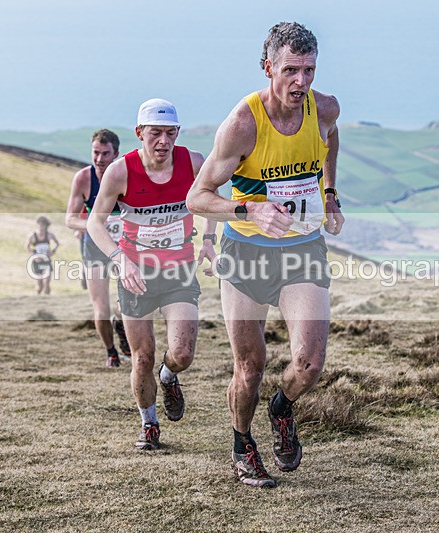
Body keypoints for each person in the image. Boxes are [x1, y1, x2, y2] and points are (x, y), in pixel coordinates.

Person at [186, 22, 345, 488]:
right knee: (250, 368)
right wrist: (249, 208)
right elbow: (198, 197)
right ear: (268, 67)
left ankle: (282, 408)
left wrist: (330, 193)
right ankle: (242, 446)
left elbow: (332, 139)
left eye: (309, 70)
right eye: (291, 70)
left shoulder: (325, 108)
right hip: (247, 253)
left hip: (302, 249)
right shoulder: (243, 124)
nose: (301, 81)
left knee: (309, 364)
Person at [87, 98, 217, 451]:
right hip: (136, 274)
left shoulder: (193, 162)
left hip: (178, 270)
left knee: (183, 352)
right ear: (139, 133)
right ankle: (149, 424)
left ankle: (169, 375)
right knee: (142, 356)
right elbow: (95, 222)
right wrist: (119, 259)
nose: (163, 141)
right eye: (155, 133)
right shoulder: (121, 172)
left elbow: (211, 201)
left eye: (170, 133)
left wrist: (208, 240)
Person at [65, 129, 130, 368]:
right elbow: (70, 218)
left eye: (105, 154)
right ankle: (111, 352)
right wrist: (94, 225)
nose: (99, 159)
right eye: (95, 152)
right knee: (101, 308)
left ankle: (122, 327)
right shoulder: (83, 178)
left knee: (126, 306)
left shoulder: (125, 176)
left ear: (116, 154)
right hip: (94, 246)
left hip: (124, 247)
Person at [25, 215, 59, 295]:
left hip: (46, 260)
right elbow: (27, 247)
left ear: (46, 226)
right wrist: (34, 255)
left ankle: (47, 297)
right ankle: (38, 296)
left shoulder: (49, 235)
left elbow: (57, 243)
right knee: (40, 285)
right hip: (37, 261)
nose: (41, 227)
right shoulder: (32, 236)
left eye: (43, 225)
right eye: (40, 225)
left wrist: (52, 251)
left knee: (47, 281)